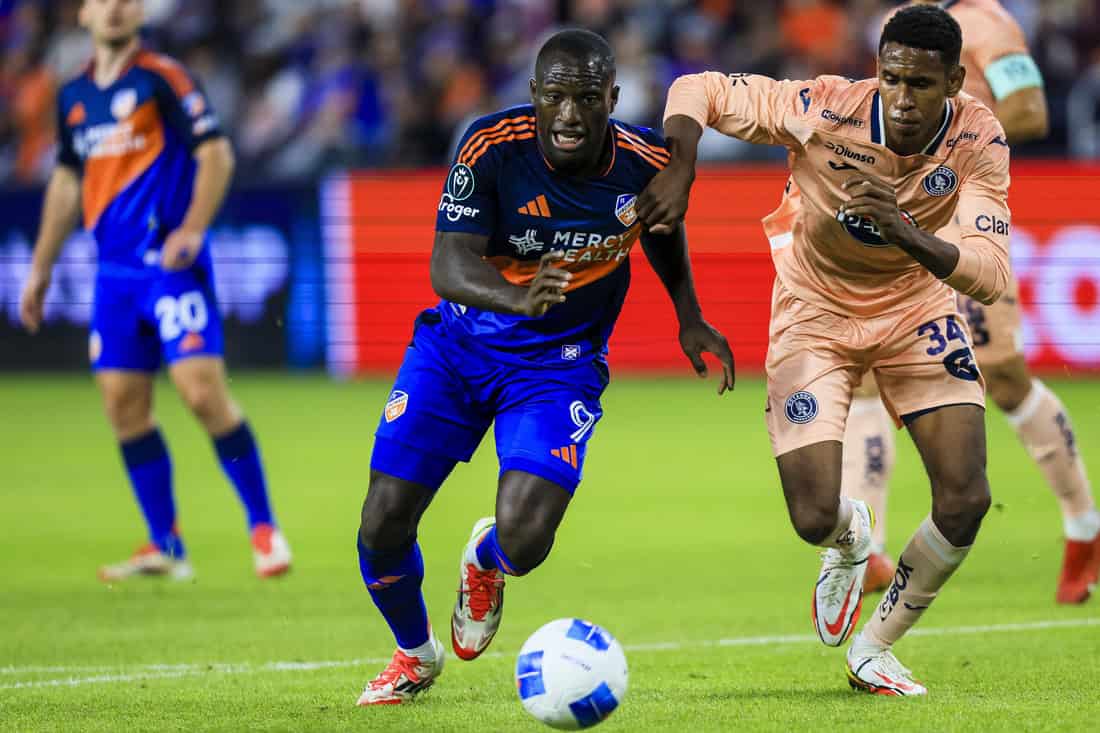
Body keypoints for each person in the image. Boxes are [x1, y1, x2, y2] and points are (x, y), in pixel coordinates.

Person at [354, 29, 734, 706]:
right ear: (533, 95)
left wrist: (689, 315)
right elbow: (448, 265)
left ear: (610, 100)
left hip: (557, 366)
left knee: (525, 540)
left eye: (586, 98)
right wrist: (517, 296)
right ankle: (414, 654)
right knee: (382, 522)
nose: (568, 113)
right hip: (458, 349)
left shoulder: (644, 162)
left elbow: (663, 232)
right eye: (554, 96)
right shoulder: (490, 147)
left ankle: (487, 560)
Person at [639, 5, 1009, 695]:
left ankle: (875, 647)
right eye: (892, 78)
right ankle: (849, 534)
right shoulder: (824, 108)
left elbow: (990, 273)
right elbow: (698, 87)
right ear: (878, 71)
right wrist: (682, 161)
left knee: (966, 496)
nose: (903, 97)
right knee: (812, 514)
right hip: (814, 311)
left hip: (914, 310)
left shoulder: (978, 138)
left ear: (955, 81)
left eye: (922, 85)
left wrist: (906, 232)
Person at [19, 0, 290, 582]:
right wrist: (41, 268)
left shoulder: (163, 78)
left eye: (126, 0)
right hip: (113, 275)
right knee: (123, 406)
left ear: (139, 11)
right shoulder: (73, 98)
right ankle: (166, 545)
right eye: (103, 1)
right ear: (83, 14)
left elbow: (215, 152)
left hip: (169, 265)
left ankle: (264, 528)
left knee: (201, 394)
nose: (115, 9)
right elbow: (67, 182)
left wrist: (193, 228)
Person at [843, 0, 1099, 604]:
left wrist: (951, 154)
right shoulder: (899, 22)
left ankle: (1084, 525)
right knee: (864, 372)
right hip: (899, 214)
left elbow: (1031, 111)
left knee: (1003, 376)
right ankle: (870, 549)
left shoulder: (987, 23)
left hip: (962, 223)